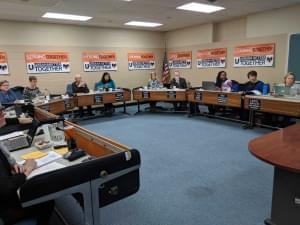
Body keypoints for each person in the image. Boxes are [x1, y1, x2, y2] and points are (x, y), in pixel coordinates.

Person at [0, 145, 54, 225]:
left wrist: (12, 168)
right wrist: (28, 170)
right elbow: (6, 188)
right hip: (6, 211)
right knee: (47, 200)